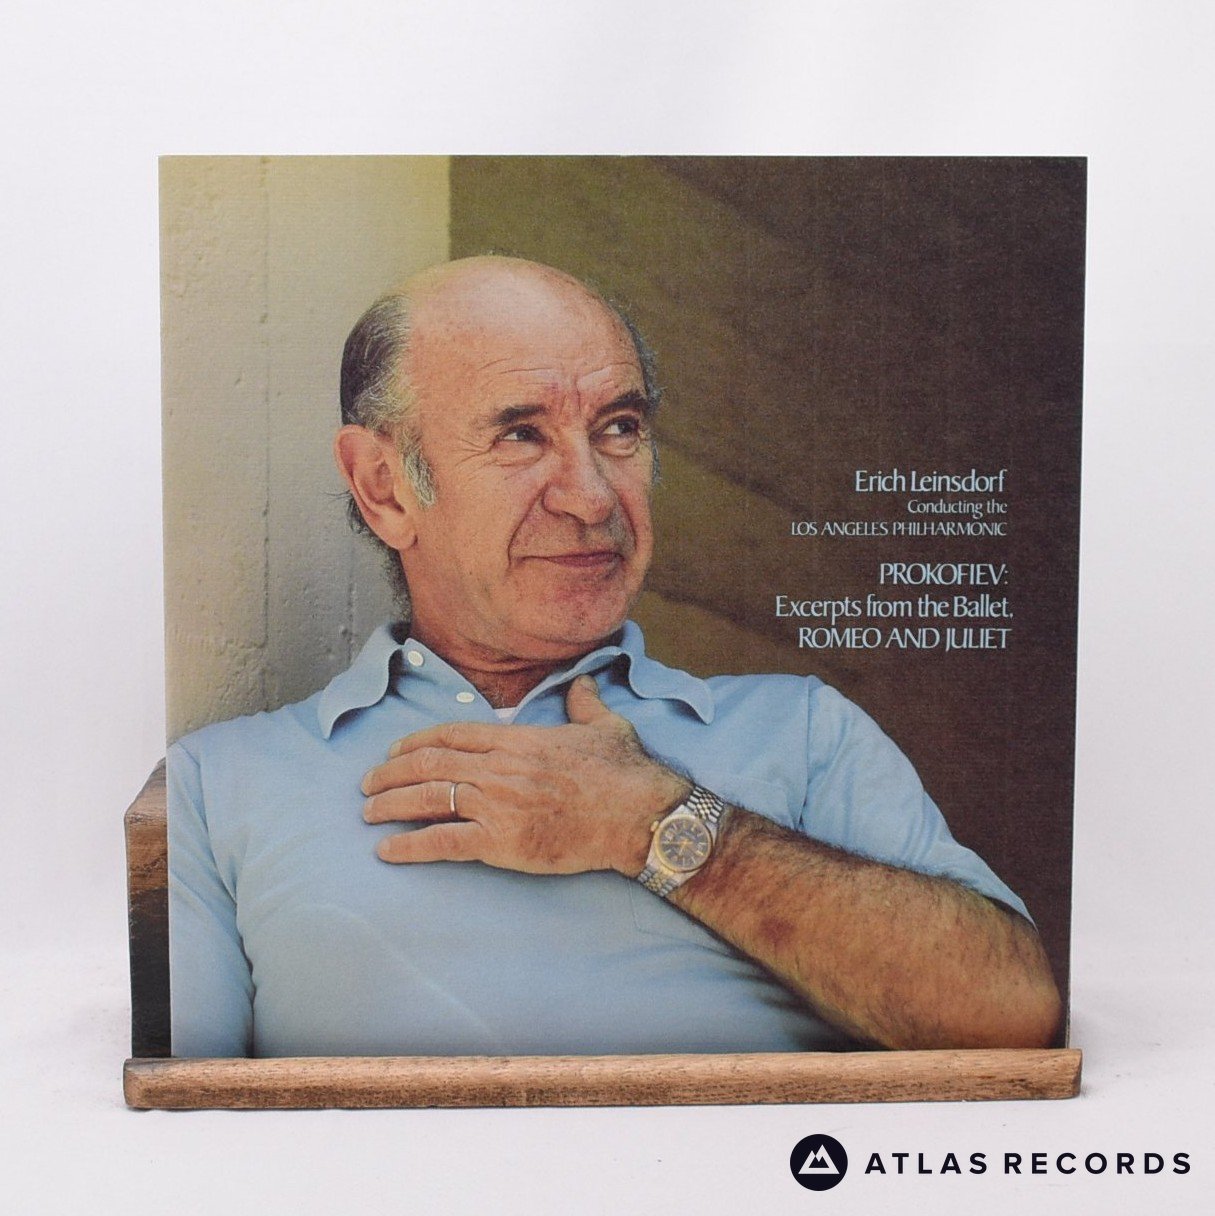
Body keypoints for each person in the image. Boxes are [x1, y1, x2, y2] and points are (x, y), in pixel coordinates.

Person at [169, 255, 1061, 1059]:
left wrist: (664, 828)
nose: (592, 497)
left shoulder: (800, 729)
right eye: (521, 435)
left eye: (619, 427)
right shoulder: (217, 786)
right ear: (384, 487)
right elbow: (178, 1129)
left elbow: (1010, 1017)